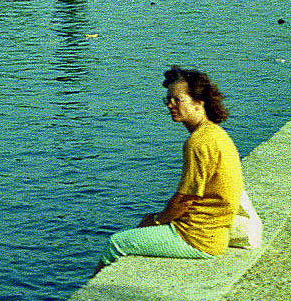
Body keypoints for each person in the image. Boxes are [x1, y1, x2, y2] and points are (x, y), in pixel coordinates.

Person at [96, 67, 242, 272]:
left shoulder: (198, 143)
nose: (171, 105)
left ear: (199, 102)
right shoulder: (216, 133)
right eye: (168, 100)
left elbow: (185, 200)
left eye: (177, 100)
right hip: (214, 231)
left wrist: (156, 221)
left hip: (198, 238)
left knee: (117, 243)